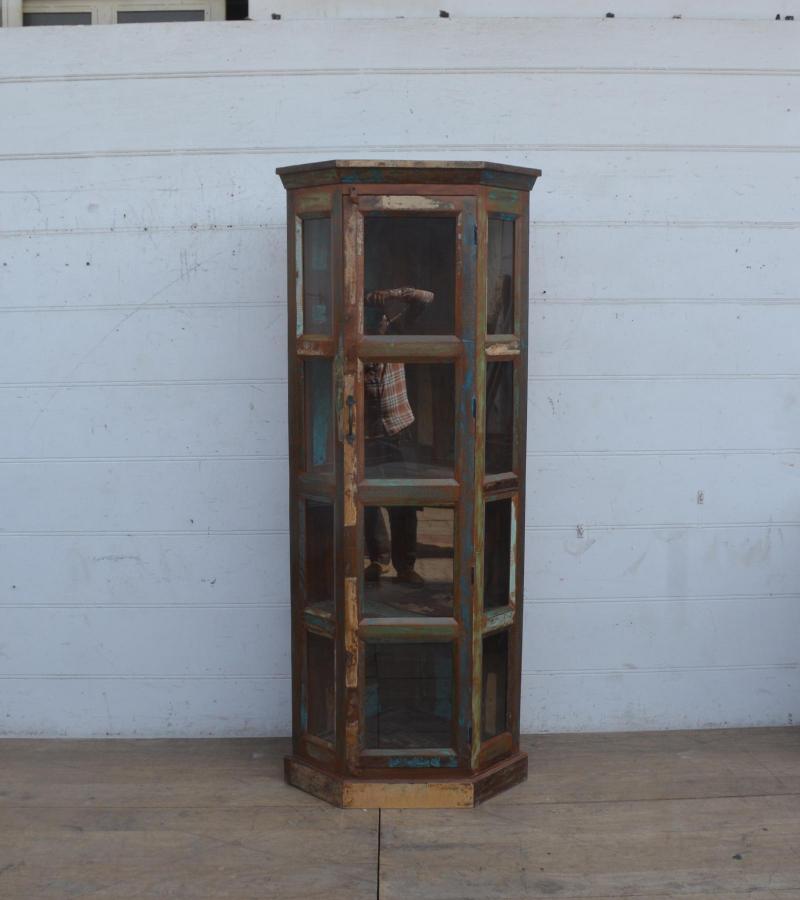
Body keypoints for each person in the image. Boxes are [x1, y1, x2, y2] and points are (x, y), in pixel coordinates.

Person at [363, 287, 433, 586]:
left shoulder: (397, 332)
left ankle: (405, 566)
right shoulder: (356, 341)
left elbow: (426, 298)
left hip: (400, 428)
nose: (379, 324)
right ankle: (379, 560)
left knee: (403, 499)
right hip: (366, 433)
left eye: (382, 317)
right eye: (372, 318)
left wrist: (392, 294)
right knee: (369, 502)